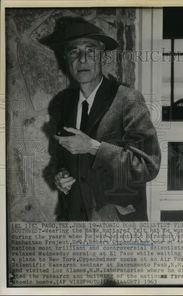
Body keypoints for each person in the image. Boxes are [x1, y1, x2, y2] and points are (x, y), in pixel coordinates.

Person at [40, 16, 161, 221]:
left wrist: (93, 147)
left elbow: (148, 166)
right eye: (74, 51)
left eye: (90, 51)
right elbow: (60, 159)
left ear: (102, 56)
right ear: (66, 59)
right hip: (74, 221)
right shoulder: (62, 104)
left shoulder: (128, 100)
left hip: (117, 226)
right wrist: (60, 176)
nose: (83, 59)